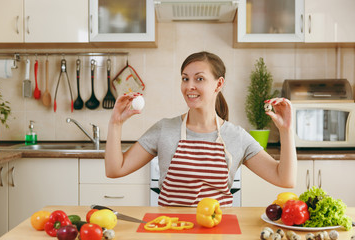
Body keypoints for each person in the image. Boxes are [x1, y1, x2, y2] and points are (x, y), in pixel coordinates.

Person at [105, 51, 297, 207]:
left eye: (199, 79)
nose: (189, 86)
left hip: (217, 231)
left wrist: (286, 131)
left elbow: (285, 179)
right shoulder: (164, 129)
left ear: (219, 84)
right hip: (170, 230)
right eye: (185, 78)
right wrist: (115, 124)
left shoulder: (236, 136)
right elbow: (115, 169)